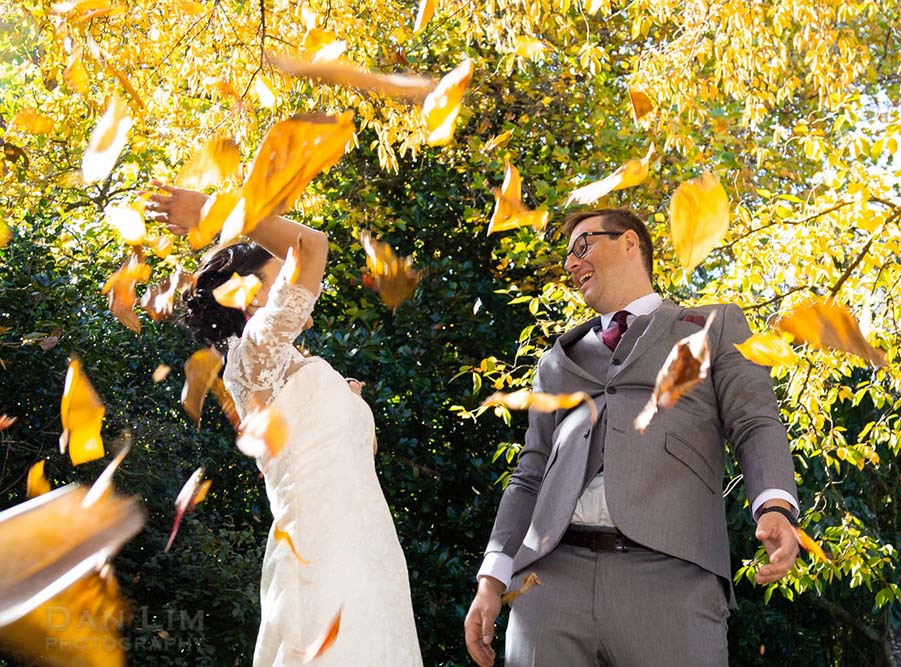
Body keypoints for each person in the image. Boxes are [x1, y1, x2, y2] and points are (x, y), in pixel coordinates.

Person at [464, 209, 800, 666]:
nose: (571, 263)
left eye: (582, 246)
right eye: (566, 256)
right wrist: (492, 579)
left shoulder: (713, 327)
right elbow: (530, 474)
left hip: (671, 577)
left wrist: (775, 504)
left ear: (629, 243)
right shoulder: (554, 363)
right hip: (550, 585)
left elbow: (755, 421)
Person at [147, 182, 422, 666]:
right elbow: (312, 244)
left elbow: (344, 455)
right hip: (320, 546)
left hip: (370, 545)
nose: (298, 276)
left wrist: (347, 400)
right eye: (283, 273)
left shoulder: (289, 367)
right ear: (249, 298)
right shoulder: (254, 351)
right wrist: (215, 210)